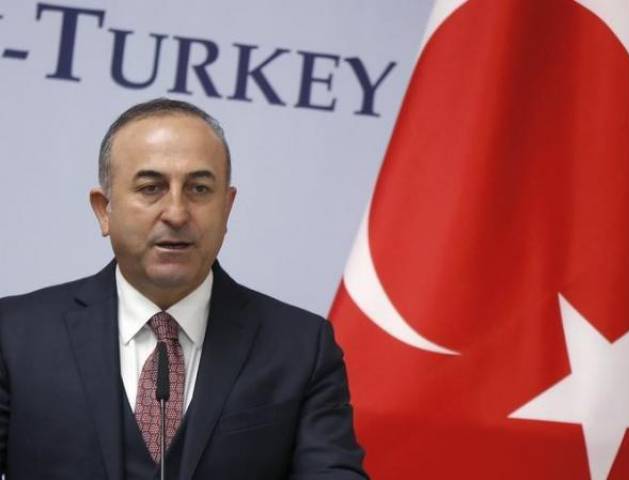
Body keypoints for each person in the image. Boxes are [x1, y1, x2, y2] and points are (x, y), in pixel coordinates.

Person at [0, 98, 368, 479]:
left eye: (198, 189)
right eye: (151, 188)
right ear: (103, 209)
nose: (176, 213)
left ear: (227, 208)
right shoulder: (14, 335)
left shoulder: (301, 347)